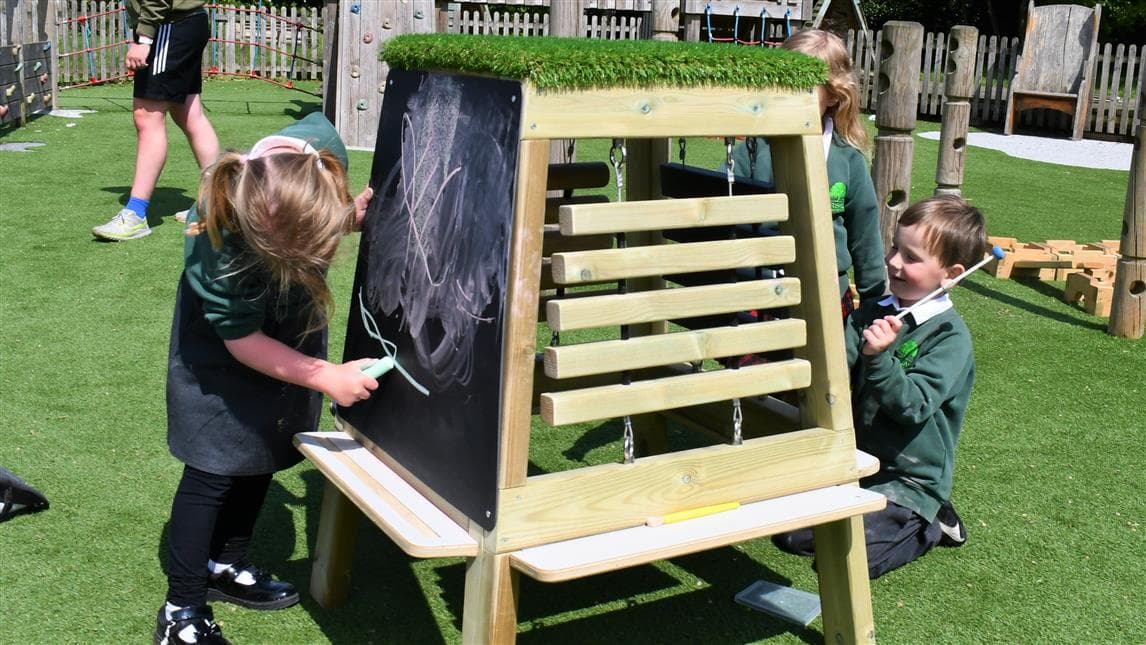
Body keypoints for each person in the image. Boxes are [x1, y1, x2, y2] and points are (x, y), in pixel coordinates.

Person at [155, 112, 378, 645]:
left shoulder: (319, 153)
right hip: (218, 356)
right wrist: (324, 375)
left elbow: (310, 208)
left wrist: (345, 217)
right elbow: (242, 342)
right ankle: (180, 610)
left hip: (285, 326)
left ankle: (226, 567)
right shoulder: (214, 232)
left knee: (261, 451)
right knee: (213, 466)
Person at [773, 194, 986, 578]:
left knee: (845, 562)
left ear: (952, 273)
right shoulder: (875, 310)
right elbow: (835, 367)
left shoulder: (950, 338)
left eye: (911, 257)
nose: (893, 262)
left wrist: (879, 358)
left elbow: (913, 406)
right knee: (788, 536)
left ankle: (932, 523)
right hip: (856, 463)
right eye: (894, 247)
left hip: (908, 479)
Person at [731, 29, 885, 316]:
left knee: (827, 361)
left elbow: (865, 237)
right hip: (761, 287)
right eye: (785, 84)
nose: (791, 95)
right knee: (758, 361)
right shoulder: (754, 148)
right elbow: (724, 207)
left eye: (804, 87)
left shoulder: (847, 160)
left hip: (827, 292)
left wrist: (875, 299)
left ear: (833, 95)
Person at [93, 0, 219, 241]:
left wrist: (145, 39)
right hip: (185, 23)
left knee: (147, 115)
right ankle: (217, 204)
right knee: (189, 114)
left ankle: (135, 215)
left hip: (170, 25)